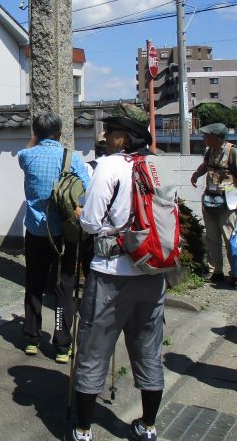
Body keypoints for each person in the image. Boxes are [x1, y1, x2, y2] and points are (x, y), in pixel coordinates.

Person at [66, 112, 164, 441]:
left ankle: (82, 429)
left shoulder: (109, 165)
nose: (106, 137)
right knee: (148, 349)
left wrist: (79, 213)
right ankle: (148, 426)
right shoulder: (155, 165)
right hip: (152, 270)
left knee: (94, 349)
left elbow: (93, 223)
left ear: (123, 137)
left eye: (110, 132)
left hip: (111, 272)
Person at [18, 112, 90, 364]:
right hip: (63, 234)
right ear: (59, 134)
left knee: (34, 283)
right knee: (63, 288)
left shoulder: (27, 156)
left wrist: (35, 137)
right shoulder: (71, 159)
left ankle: (31, 338)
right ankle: (61, 345)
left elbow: (25, 150)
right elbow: (87, 188)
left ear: (36, 134)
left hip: (36, 232)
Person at [190, 123, 237, 285]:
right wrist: (197, 174)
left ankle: (235, 272)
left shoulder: (235, 153)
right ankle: (216, 269)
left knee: (229, 236)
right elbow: (206, 166)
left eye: (206, 136)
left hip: (229, 200)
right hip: (210, 198)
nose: (203, 138)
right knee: (211, 237)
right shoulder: (210, 151)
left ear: (216, 137)